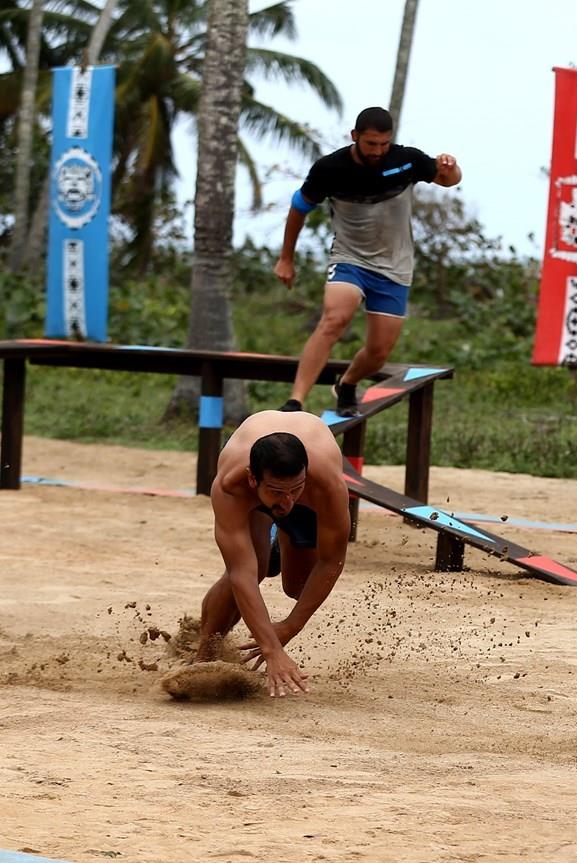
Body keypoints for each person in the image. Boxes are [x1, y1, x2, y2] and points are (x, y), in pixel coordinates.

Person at [274, 106, 462, 416]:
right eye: (371, 143)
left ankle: (347, 384)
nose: (378, 151)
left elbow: (448, 179)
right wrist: (286, 258)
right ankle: (296, 401)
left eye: (384, 144)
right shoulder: (330, 168)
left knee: (378, 353)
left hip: (395, 266)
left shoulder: (406, 161)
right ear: (355, 136)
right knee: (334, 319)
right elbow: (298, 207)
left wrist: (450, 165)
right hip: (350, 258)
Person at [196, 410, 350, 698]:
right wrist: (271, 650)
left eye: (295, 489)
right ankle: (203, 656)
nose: (288, 499)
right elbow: (241, 572)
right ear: (252, 479)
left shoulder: (326, 486)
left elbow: (332, 560)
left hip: (309, 495)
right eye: (279, 491)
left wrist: (290, 627)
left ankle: (278, 538)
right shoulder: (231, 485)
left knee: (298, 587)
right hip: (254, 500)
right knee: (253, 566)